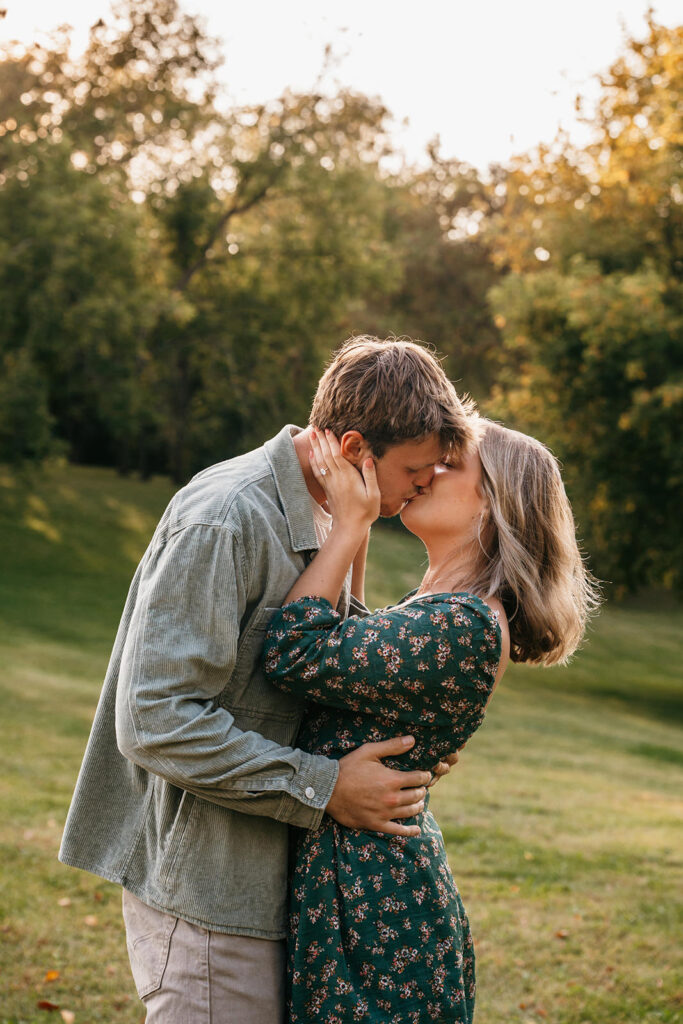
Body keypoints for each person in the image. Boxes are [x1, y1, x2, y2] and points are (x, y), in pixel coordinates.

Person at [58, 336, 474, 1022]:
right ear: (353, 448)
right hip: (207, 892)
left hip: (273, 889)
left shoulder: (335, 514)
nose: (425, 483)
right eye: (415, 469)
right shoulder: (226, 519)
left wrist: (405, 743)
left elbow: (323, 673)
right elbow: (156, 719)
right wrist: (326, 786)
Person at [262, 420, 600, 1023]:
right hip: (360, 884)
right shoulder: (441, 608)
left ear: (493, 503)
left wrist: (350, 524)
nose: (427, 469)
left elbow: (295, 651)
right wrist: (360, 517)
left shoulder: (460, 625)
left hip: (380, 914)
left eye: (451, 461)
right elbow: (347, 641)